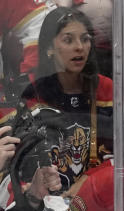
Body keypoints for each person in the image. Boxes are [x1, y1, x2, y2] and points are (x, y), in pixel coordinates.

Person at [20, 6, 113, 193]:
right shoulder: (31, 94)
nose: (79, 47)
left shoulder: (107, 89)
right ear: (49, 48)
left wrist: (88, 181)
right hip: (45, 199)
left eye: (85, 39)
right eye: (68, 40)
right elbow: (22, 164)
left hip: (97, 196)